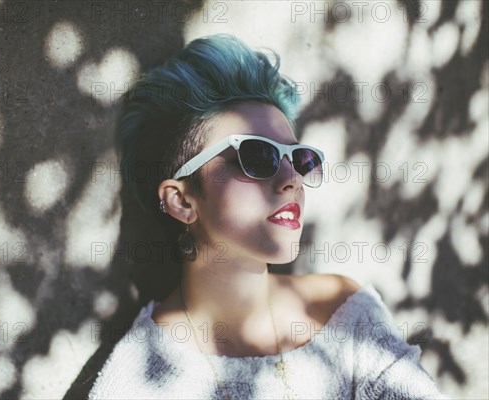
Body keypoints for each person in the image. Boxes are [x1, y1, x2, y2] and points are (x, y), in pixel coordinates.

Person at [87, 34, 447, 399]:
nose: (292, 179)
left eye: (300, 159)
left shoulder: (344, 311)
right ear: (181, 202)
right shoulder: (137, 380)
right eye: (257, 157)